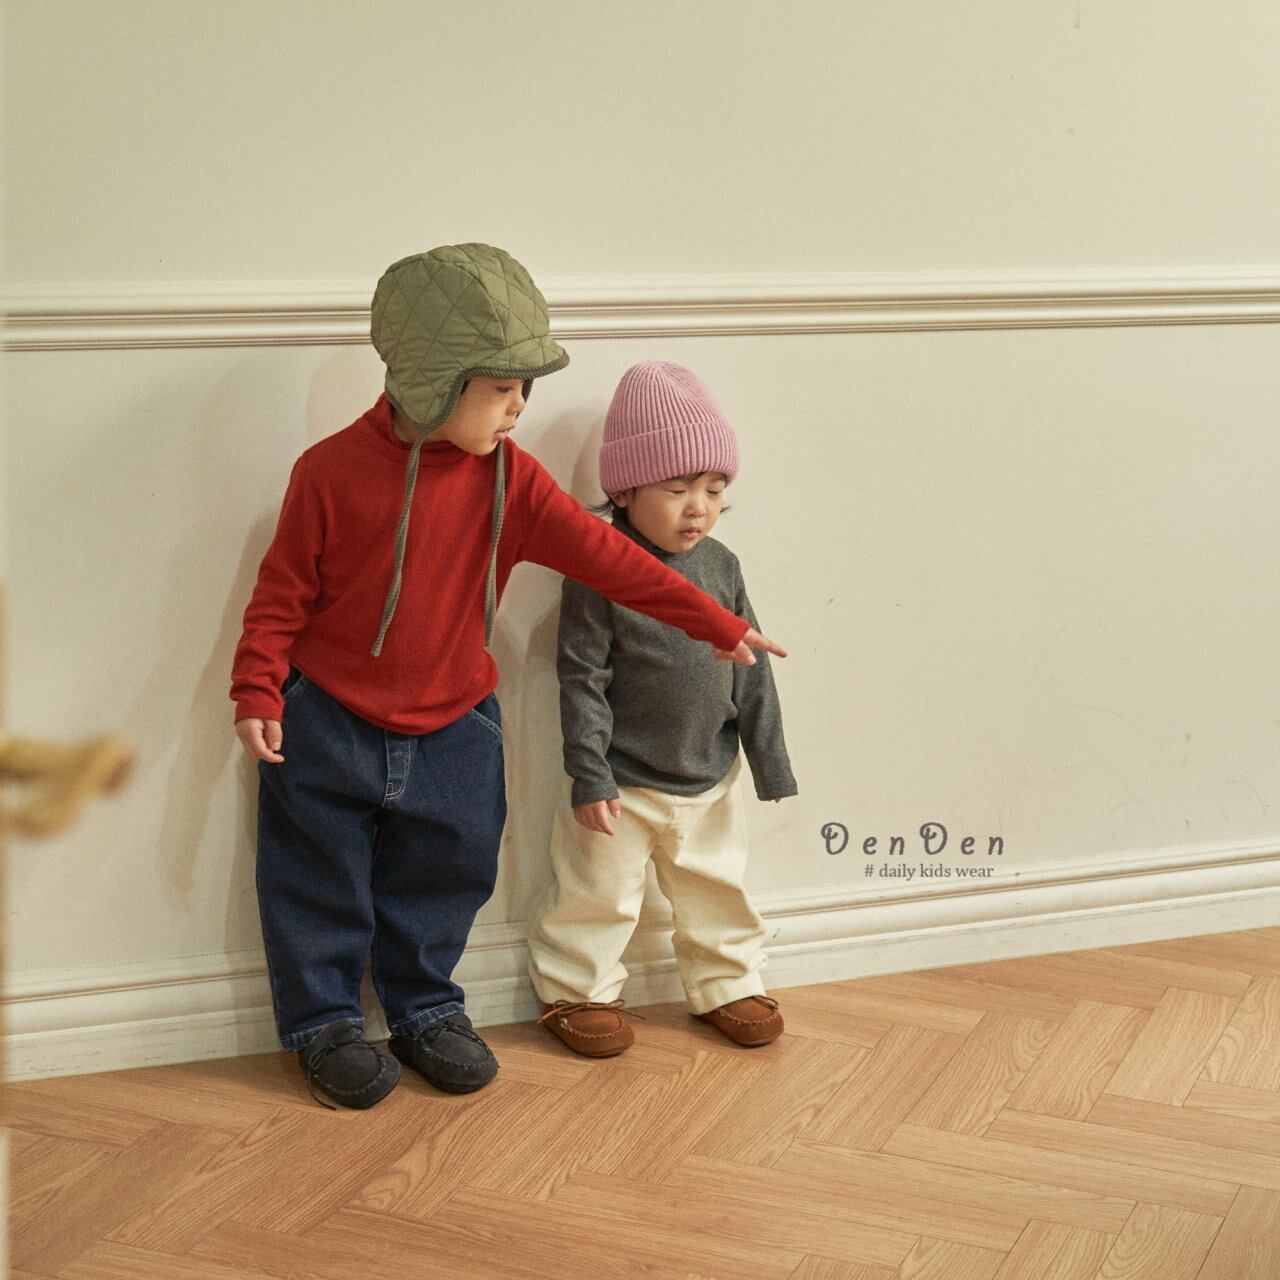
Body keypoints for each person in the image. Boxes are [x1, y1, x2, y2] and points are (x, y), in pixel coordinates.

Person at [230, 246, 785, 1109]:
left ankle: (425, 1009)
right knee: (315, 876)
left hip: (456, 723)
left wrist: (714, 621)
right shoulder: (329, 474)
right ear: (431, 380)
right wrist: (257, 688)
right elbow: (281, 595)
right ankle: (324, 1024)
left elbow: (611, 559)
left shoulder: (511, 481)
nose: (520, 406)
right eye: (500, 388)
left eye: (524, 387)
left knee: (444, 873)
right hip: (327, 718)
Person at [527, 361, 797, 1058]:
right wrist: (590, 775)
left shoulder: (722, 565)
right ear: (624, 490)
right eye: (677, 490)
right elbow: (582, 678)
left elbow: (753, 665)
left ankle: (727, 981)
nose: (698, 507)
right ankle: (578, 990)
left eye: (714, 489)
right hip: (622, 782)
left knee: (717, 888)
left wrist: (769, 761)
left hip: (709, 774)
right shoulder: (599, 568)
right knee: (597, 894)